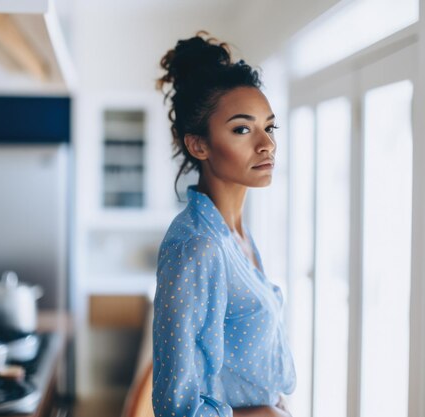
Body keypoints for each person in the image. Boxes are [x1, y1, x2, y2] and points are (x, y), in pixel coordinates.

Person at [152, 32, 296, 417]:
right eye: (242, 129)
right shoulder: (197, 248)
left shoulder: (237, 235)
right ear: (199, 145)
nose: (266, 143)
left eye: (270, 126)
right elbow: (175, 409)